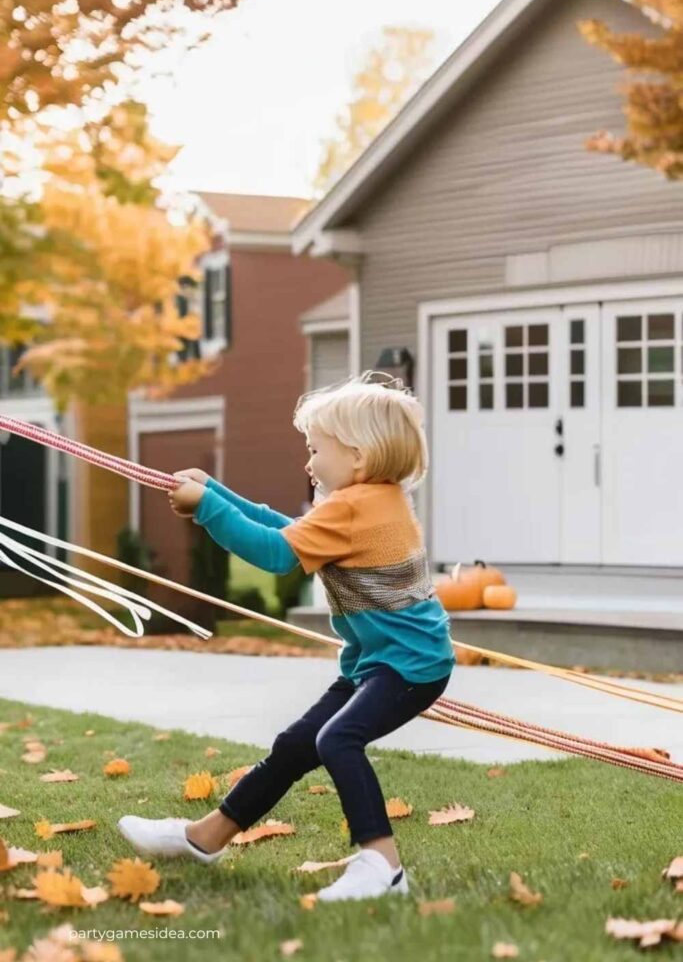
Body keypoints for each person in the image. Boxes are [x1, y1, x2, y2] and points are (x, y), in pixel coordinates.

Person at [117, 373, 455, 902]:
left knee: (336, 740)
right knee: (296, 745)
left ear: (359, 457)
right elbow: (283, 529)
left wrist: (206, 508)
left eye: (316, 449)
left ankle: (383, 866)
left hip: (406, 666)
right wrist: (216, 492)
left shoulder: (354, 507)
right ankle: (206, 837)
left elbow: (276, 554)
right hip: (383, 661)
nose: (309, 461)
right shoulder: (372, 499)